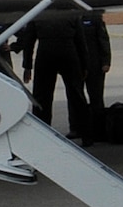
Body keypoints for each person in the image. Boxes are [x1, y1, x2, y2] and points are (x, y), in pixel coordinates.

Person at [16, 17, 90, 142]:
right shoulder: (71, 14)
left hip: (45, 53)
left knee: (42, 97)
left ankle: (42, 134)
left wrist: (27, 66)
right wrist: (85, 65)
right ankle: (86, 135)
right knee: (77, 96)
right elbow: (81, 42)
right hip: (69, 53)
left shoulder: (39, 14)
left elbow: (29, 41)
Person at [80, 11, 112, 143]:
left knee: (96, 98)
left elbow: (103, 39)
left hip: (95, 64)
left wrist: (106, 61)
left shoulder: (94, 17)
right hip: (77, 64)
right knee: (76, 98)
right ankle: (77, 128)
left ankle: (99, 131)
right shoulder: (69, 17)